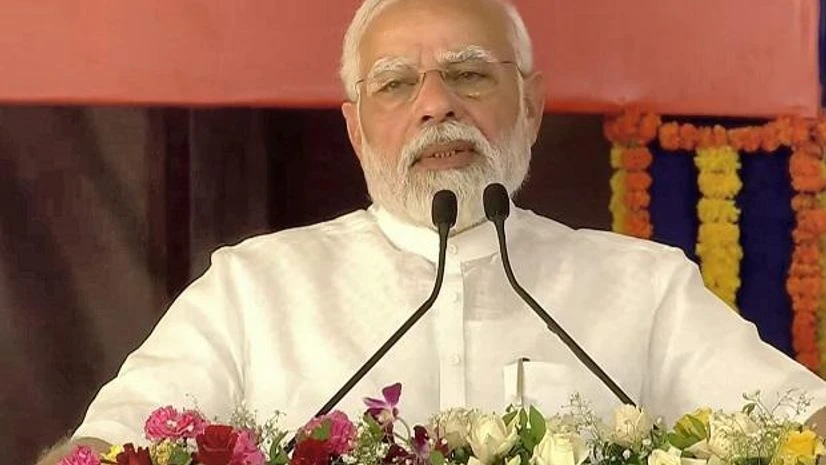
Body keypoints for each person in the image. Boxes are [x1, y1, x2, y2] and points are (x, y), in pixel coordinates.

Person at [38, 0, 826, 462]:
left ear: (532, 104)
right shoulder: (253, 288)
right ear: (355, 130)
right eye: (396, 84)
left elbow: (805, 430)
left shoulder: (643, 288)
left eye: (470, 73)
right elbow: (108, 447)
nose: (436, 104)